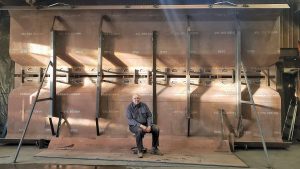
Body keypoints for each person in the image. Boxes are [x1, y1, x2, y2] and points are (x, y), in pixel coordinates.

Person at [126, 94, 162, 158]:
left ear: (140, 99)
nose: (136, 99)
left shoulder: (144, 105)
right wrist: (141, 126)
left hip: (146, 124)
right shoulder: (129, 107)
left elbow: (149, 116)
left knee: (156, 128)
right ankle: (140, 150)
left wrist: (149, 125)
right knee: (139, 130)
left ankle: (154, 148)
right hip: (134, 126)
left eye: (138, 98)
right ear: (132, 99)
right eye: (135, 98)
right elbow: (130, 120)